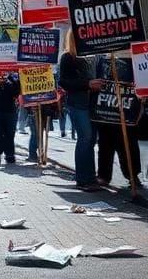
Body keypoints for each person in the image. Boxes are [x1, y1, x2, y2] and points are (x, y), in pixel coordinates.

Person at [58, 29, 101, 190]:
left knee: (90, 139)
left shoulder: (93, 56)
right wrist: (87, 84)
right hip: (78, 103)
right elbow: (64, 81)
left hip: (92, 103)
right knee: (85, 138)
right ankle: (84, 178)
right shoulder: (68, 57)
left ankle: (90, 176)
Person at [92, 55, 142, 189]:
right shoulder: (100, 60)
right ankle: (104, 175)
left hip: (126, 107)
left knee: (128, 143)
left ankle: (132, 175)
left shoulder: (131, 58)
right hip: (106, 108)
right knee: (105, 144)